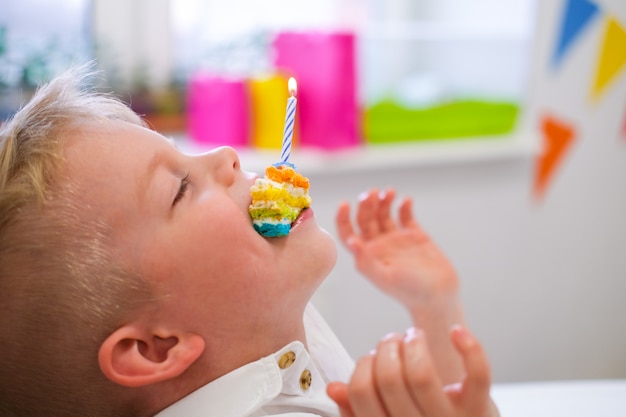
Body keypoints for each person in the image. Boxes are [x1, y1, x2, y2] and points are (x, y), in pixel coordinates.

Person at [0, 66, 498, 417]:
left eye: (184, 154)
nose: (226, 156)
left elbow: (442, 402)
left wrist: (433, 308)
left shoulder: (268, 333)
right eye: (180, 188)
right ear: (155, 347)